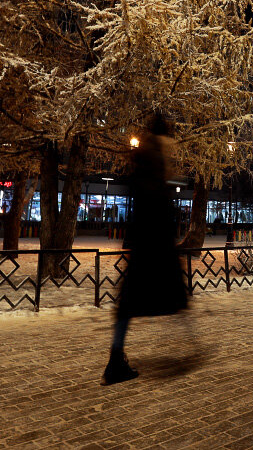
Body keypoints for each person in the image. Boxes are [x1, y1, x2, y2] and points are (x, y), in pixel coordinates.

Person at [102, 114, 190, 385]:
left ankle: (116, 358)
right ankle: (116, 361)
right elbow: (155, 205)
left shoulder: (145, 157)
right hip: (153, 245)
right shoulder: (154, 160)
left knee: (129, 304)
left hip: (144, 243)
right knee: (169, 298)